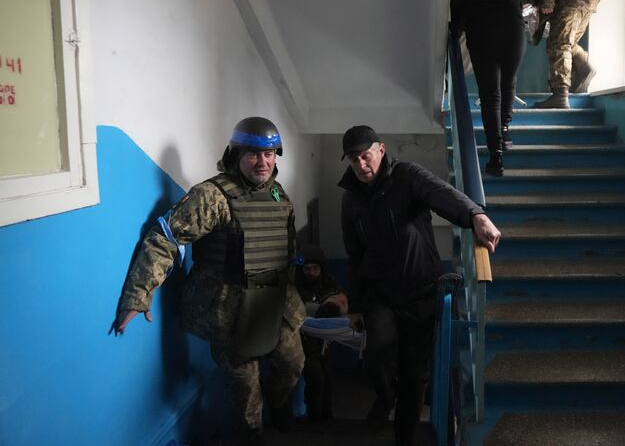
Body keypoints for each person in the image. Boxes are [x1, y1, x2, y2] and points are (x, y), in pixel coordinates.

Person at [110, 117, 306, 445]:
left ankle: (280, 405)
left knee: (292, 363)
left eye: (270, 154)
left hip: (275, 300)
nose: (263, 162)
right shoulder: (211, 195)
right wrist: (138, 294)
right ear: (236, 154)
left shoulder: (276, 192)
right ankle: (251, 436)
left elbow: (285, 247)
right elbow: (164, 239)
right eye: (254, 155)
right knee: (245, 386)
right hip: (231, 307)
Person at [337, 125, 502, 446]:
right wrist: (355, 305)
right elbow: (353, 254)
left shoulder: (406, 176)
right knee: (377, 354)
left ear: (381, 150)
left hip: (419, 291)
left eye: (365, 156)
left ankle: (403, 436)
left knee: (415, 373)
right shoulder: (350, 201)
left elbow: (441, 194)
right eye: (354, 160)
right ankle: (385, 398)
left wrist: (475, 216)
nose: (360, 165)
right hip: (379, 294)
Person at [450, 0, 526, 177]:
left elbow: (456, 13)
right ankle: (505, 131)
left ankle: (496, 157)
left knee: (490, 94)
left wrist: (454, 35)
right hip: (514, 34)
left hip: (483, 35)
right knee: (509, 83)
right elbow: (519, 9)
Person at [294, 243, 348, 423]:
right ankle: (314, 416)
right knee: (315, 376)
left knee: (327, 377)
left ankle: (326, 415)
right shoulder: (296, 287)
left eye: (315, 268)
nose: (310, 272)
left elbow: (339, 302)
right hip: (303, 343)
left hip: (324, 343)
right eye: (306, 269)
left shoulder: (328, 284)